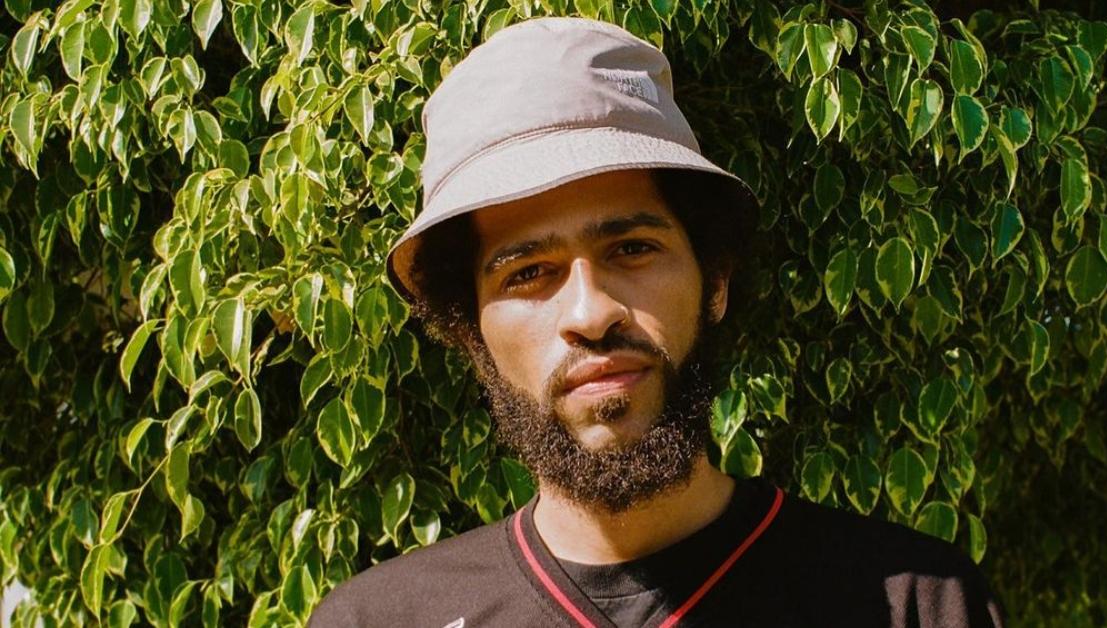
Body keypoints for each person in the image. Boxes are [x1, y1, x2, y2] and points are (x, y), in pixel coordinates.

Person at [309, 16, 1004, 628]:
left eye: (632, 250)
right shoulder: (375, 621)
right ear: (469, 331)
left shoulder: (918, 605)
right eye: (528, 273)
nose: (590, 313)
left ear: (717, 281)